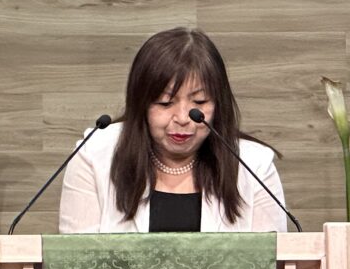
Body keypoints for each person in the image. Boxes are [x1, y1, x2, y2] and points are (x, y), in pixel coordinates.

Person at [58, 27, 288, 233]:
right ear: (141, 104)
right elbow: (75, 259)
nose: (182, 119)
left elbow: (273, 261)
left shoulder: (254, 165)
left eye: (199, 102)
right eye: (165, 103)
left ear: (218, 104)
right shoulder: (94, 155)